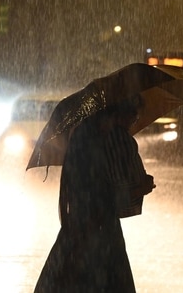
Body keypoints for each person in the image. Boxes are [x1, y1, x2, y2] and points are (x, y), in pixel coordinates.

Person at [34, 94, 155, 292]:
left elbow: (90, 192)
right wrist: (138, 189)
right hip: (100, 232)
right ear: (119, 113)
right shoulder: (110, 141)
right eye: (133, 117)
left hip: (76, 231)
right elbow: (108, 199)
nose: (133, 122)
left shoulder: (81, 135)